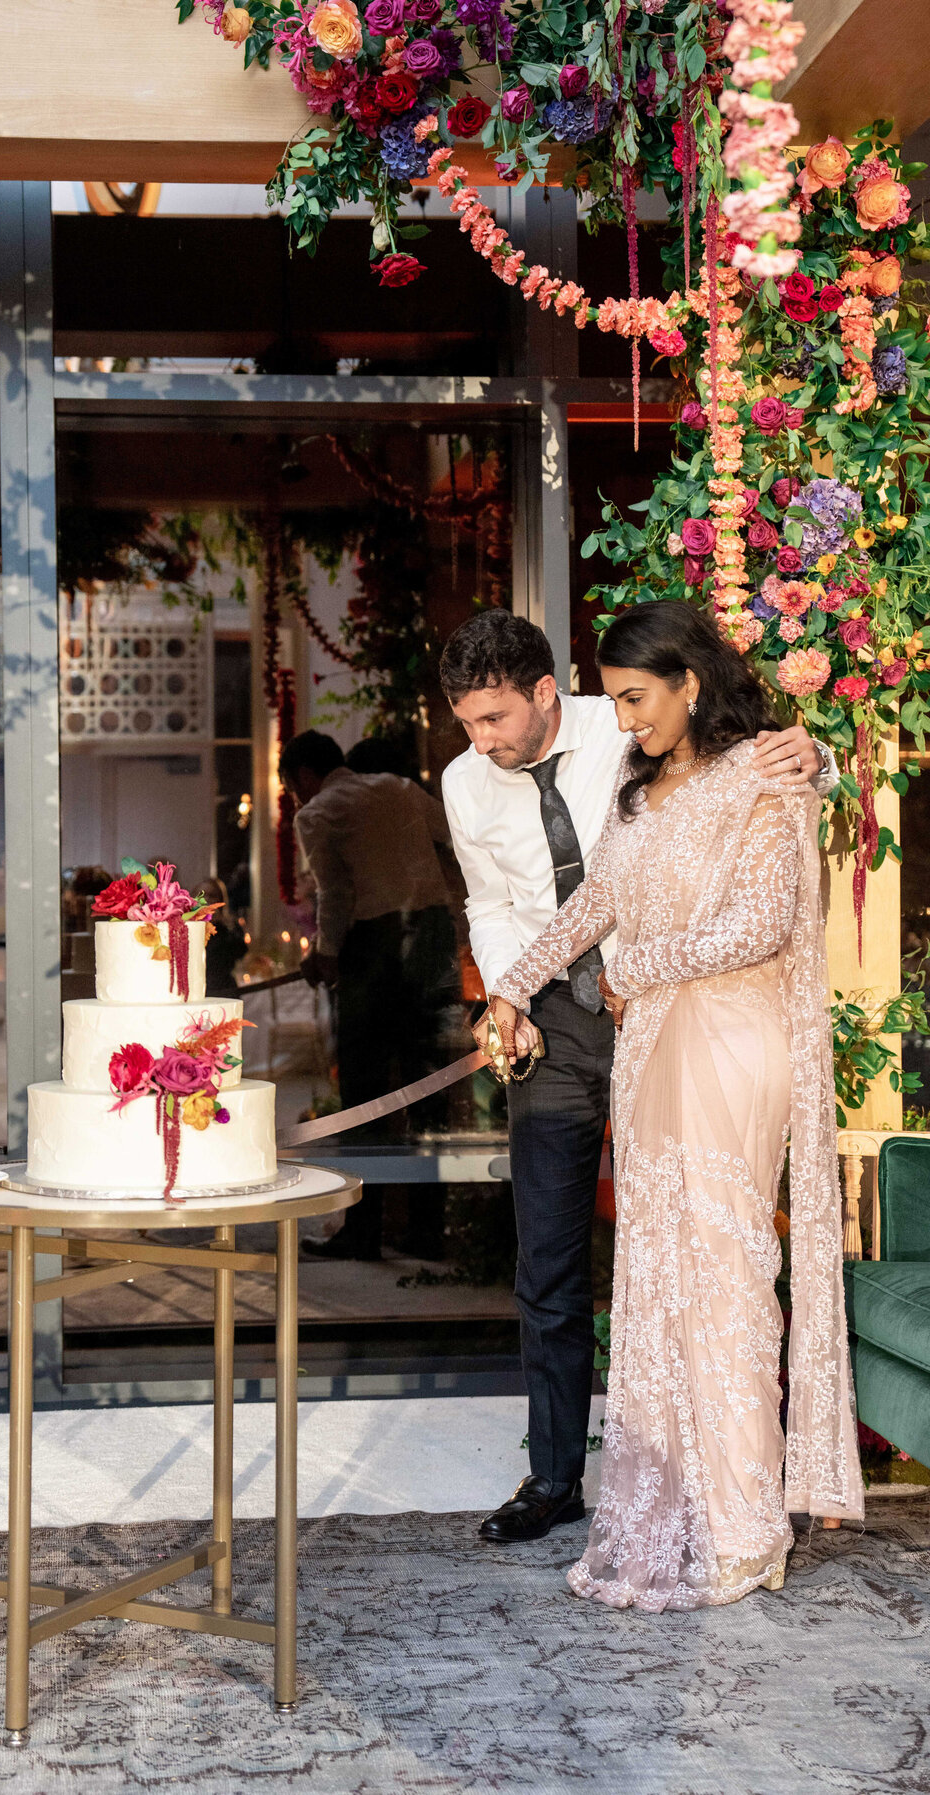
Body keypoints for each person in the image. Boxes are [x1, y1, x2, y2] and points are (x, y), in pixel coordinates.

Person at [470, 602, 863, 1608]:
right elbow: (592, 902)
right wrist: (511, 988)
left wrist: (638, 966)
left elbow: (765, 923)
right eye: (619, 702)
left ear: (692, 682)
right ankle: (674, 1504)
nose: (628, 720)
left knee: (727, 1276)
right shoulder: (641, 790)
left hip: (730, 1047)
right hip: (652, 1050)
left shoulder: (762, 780)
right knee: (658, 1281)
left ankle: (746, 1524)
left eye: (639, 699)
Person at [280, 729, 461, 1259]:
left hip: (373, 951)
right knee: (428, 1084)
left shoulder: (316, 814)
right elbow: (455, 840)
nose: (295, 797)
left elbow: (336, 893)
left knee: (365, 1095)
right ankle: (428, 1232)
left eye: (292, 787)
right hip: (429, 938)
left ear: (302, 776)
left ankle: (364, 1230)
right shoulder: (400, 788)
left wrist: (326, 953)